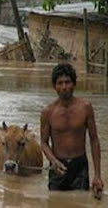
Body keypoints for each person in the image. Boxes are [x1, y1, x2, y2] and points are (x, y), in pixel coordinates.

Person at [40, 63, 103, 195]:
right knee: (55, 202)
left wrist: (97, 175)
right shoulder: (48, 112)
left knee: (80, 202)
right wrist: (53, 161)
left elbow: (94, 140)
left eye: (68, 82)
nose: (64, 87)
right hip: (57, 166)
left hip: (79, 166)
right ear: (54, 86)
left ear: (74, 84)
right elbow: (44, 143)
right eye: (60, 83)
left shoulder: (85, 108)